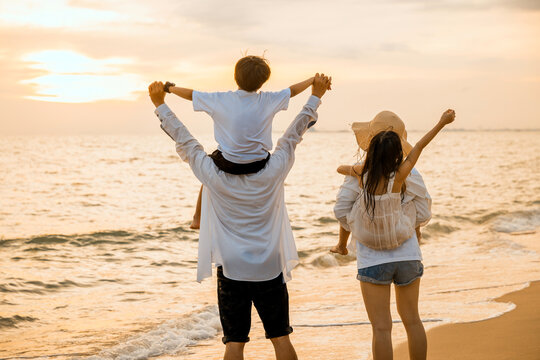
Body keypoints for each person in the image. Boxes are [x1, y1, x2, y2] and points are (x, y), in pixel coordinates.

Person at [148, 73, 332, 360]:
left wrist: (160, 103)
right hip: (269, 266)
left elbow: (184, 139)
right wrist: (316, 95)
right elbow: (295, 132)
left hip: (232, 269)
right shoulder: (274, 170)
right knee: (280, 339)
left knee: (234, 344)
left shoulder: (212, 173)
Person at [333, 109, 455, 360]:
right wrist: (441, 121)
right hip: (408, 255)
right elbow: (421, 149)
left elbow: (342, 209)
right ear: (400, 148)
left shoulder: (359, 174)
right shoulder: (405, 174)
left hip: (373, 260)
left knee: (381, 328)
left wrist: (342, 244)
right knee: (413, 321)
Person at [164, 55, 318, 229]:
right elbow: (293, 91)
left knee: (207, 171)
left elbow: (191, 95)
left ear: (235, 76)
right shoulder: (268, 99)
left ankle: (197, 218)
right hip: (259, 163)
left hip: (228, 164)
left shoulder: (220, 99)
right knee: (214, 165)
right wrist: (312, 81)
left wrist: (170, 88)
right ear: (263, 81)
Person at [330, 111, 432, 255]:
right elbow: (422, 212)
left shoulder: (361, 171)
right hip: (405, 242)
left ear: (371, 142)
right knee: (412, 203)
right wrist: (414, 227)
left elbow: (341, 210)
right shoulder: (410, 173)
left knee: (352, 204)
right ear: (399, 147)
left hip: (369, 243)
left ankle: (341, 245)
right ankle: (418, 235)